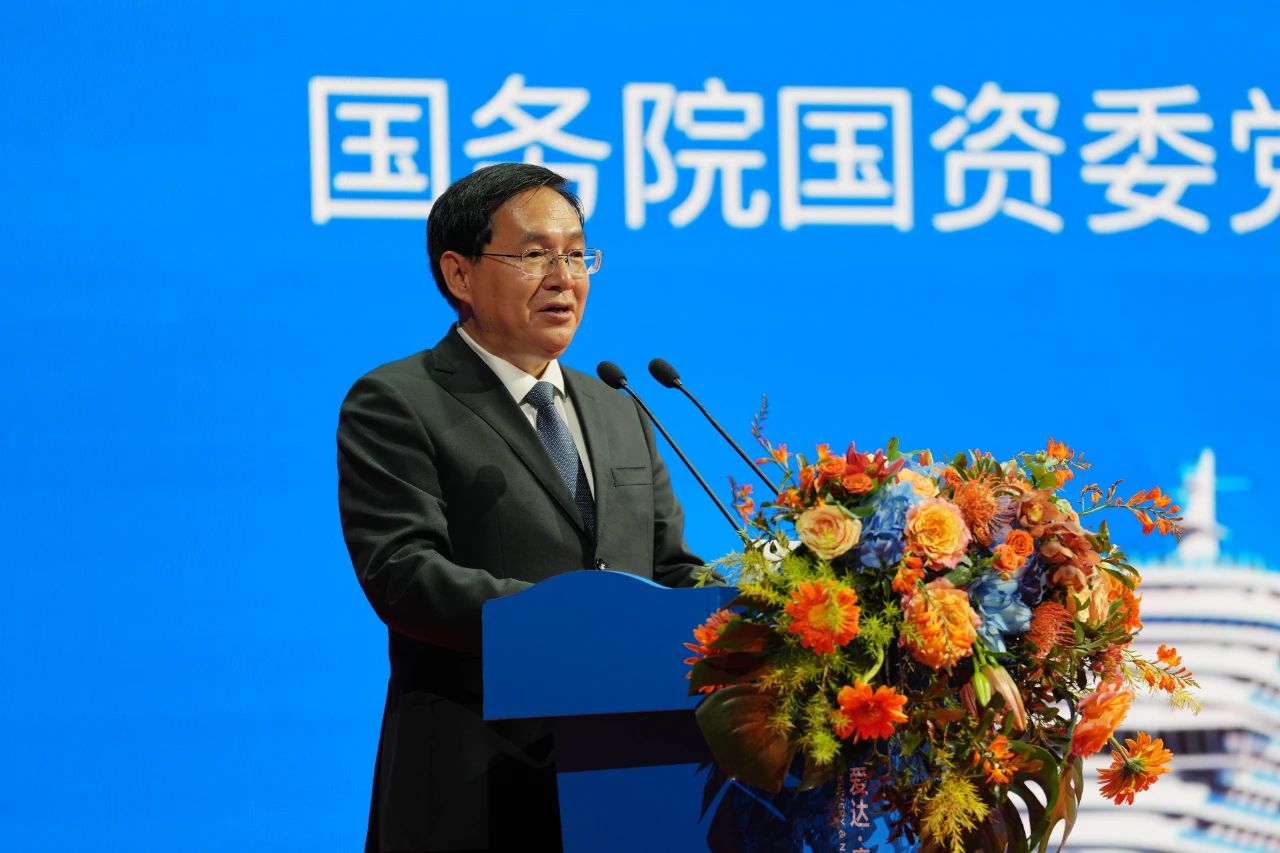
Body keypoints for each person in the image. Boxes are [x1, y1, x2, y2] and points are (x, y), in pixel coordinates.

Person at [337, 163, 705, 852]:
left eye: (577, 254)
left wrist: (764, 618)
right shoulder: (398, 401)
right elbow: (404, 573)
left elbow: (671, 569)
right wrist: (580, 624)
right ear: (459, 274)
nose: (564, 278)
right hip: (474, 782)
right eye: (535, 254)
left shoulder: (618, 407)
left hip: (632, 779)